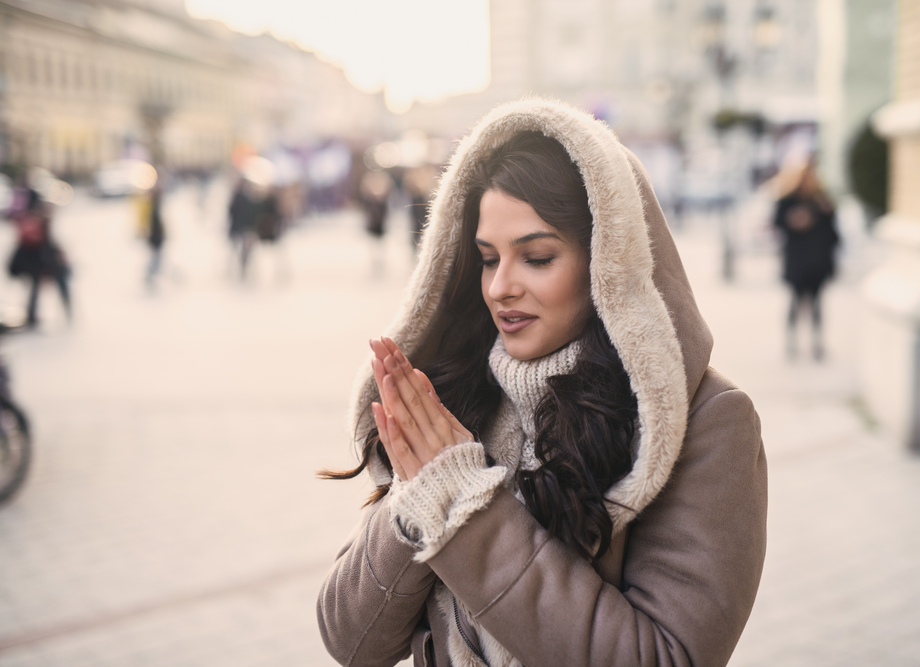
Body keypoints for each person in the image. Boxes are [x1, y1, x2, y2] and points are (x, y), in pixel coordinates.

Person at [317, 100, 767, 667]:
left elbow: (663, 656)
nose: (500, 287)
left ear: (609, 261)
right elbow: (350, 641)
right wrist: (420, 495)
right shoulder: (460, 395)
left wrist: (467, 511)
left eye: (536, 257)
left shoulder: (709, 422)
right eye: (486, 258)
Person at [772, 159, 840, 361]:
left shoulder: (822, 200)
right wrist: (793, 221)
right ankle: (791, 342)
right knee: (795, 301)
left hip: (818, 261)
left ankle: (816, 343)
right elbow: (777, 224)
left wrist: (827, 213)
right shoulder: (787, 201)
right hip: (797, 261)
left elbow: (834, 234)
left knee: (817, 303)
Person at [6, 177, 71, 328]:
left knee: (37, 287)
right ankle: (65, 311)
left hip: (36, 259)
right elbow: (48, 241)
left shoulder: (30, 218)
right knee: (58, 281)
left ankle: (33, 316)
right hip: (41, 258)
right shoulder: (39, 220)